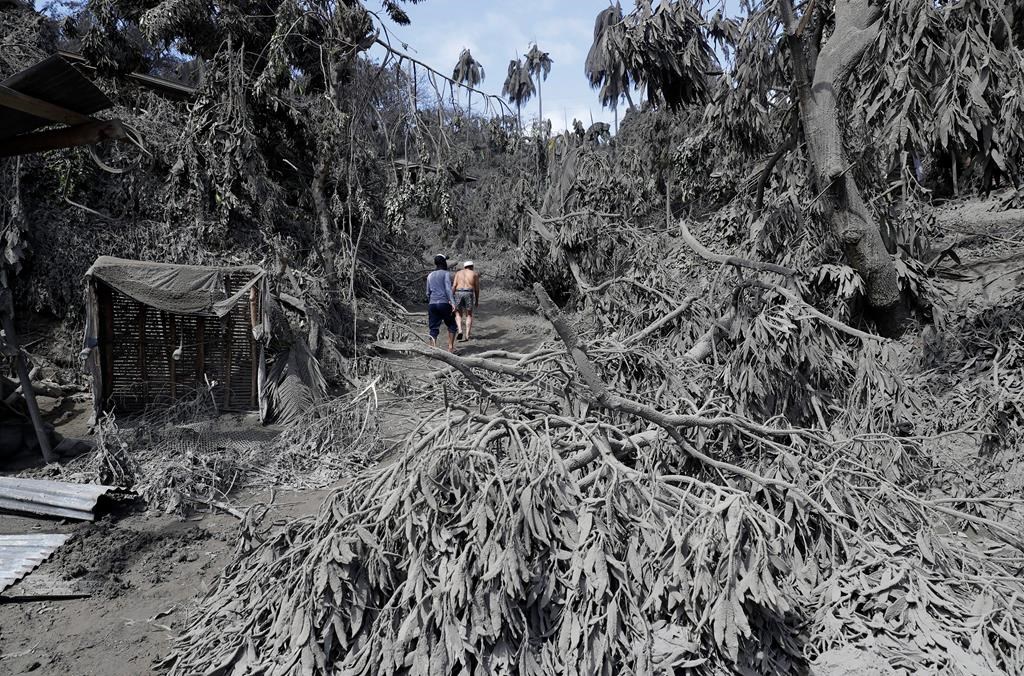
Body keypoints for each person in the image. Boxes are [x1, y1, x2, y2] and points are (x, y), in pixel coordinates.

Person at [425, 254, 458, 351]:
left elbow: (427, 292)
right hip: (444, 303)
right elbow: (448, 289)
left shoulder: (430, 275)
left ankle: (432, 349)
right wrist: (453, 303)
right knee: (452, 325)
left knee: (433, 328)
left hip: (432, 304)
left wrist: (431, 301)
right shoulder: (446, 274)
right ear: (444, 262)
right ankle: (451, 348)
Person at [452, 260, 480, 340]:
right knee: (469, 314)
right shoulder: (474, 274)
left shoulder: (458, 273)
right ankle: (467, 335)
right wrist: (477, 300)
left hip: (458, 292)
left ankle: (460, 330)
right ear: (472, 267)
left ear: (464, 267)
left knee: (458, 314)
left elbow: (454, 286)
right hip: (469, 292)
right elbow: (477, 289)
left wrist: (451, 298)